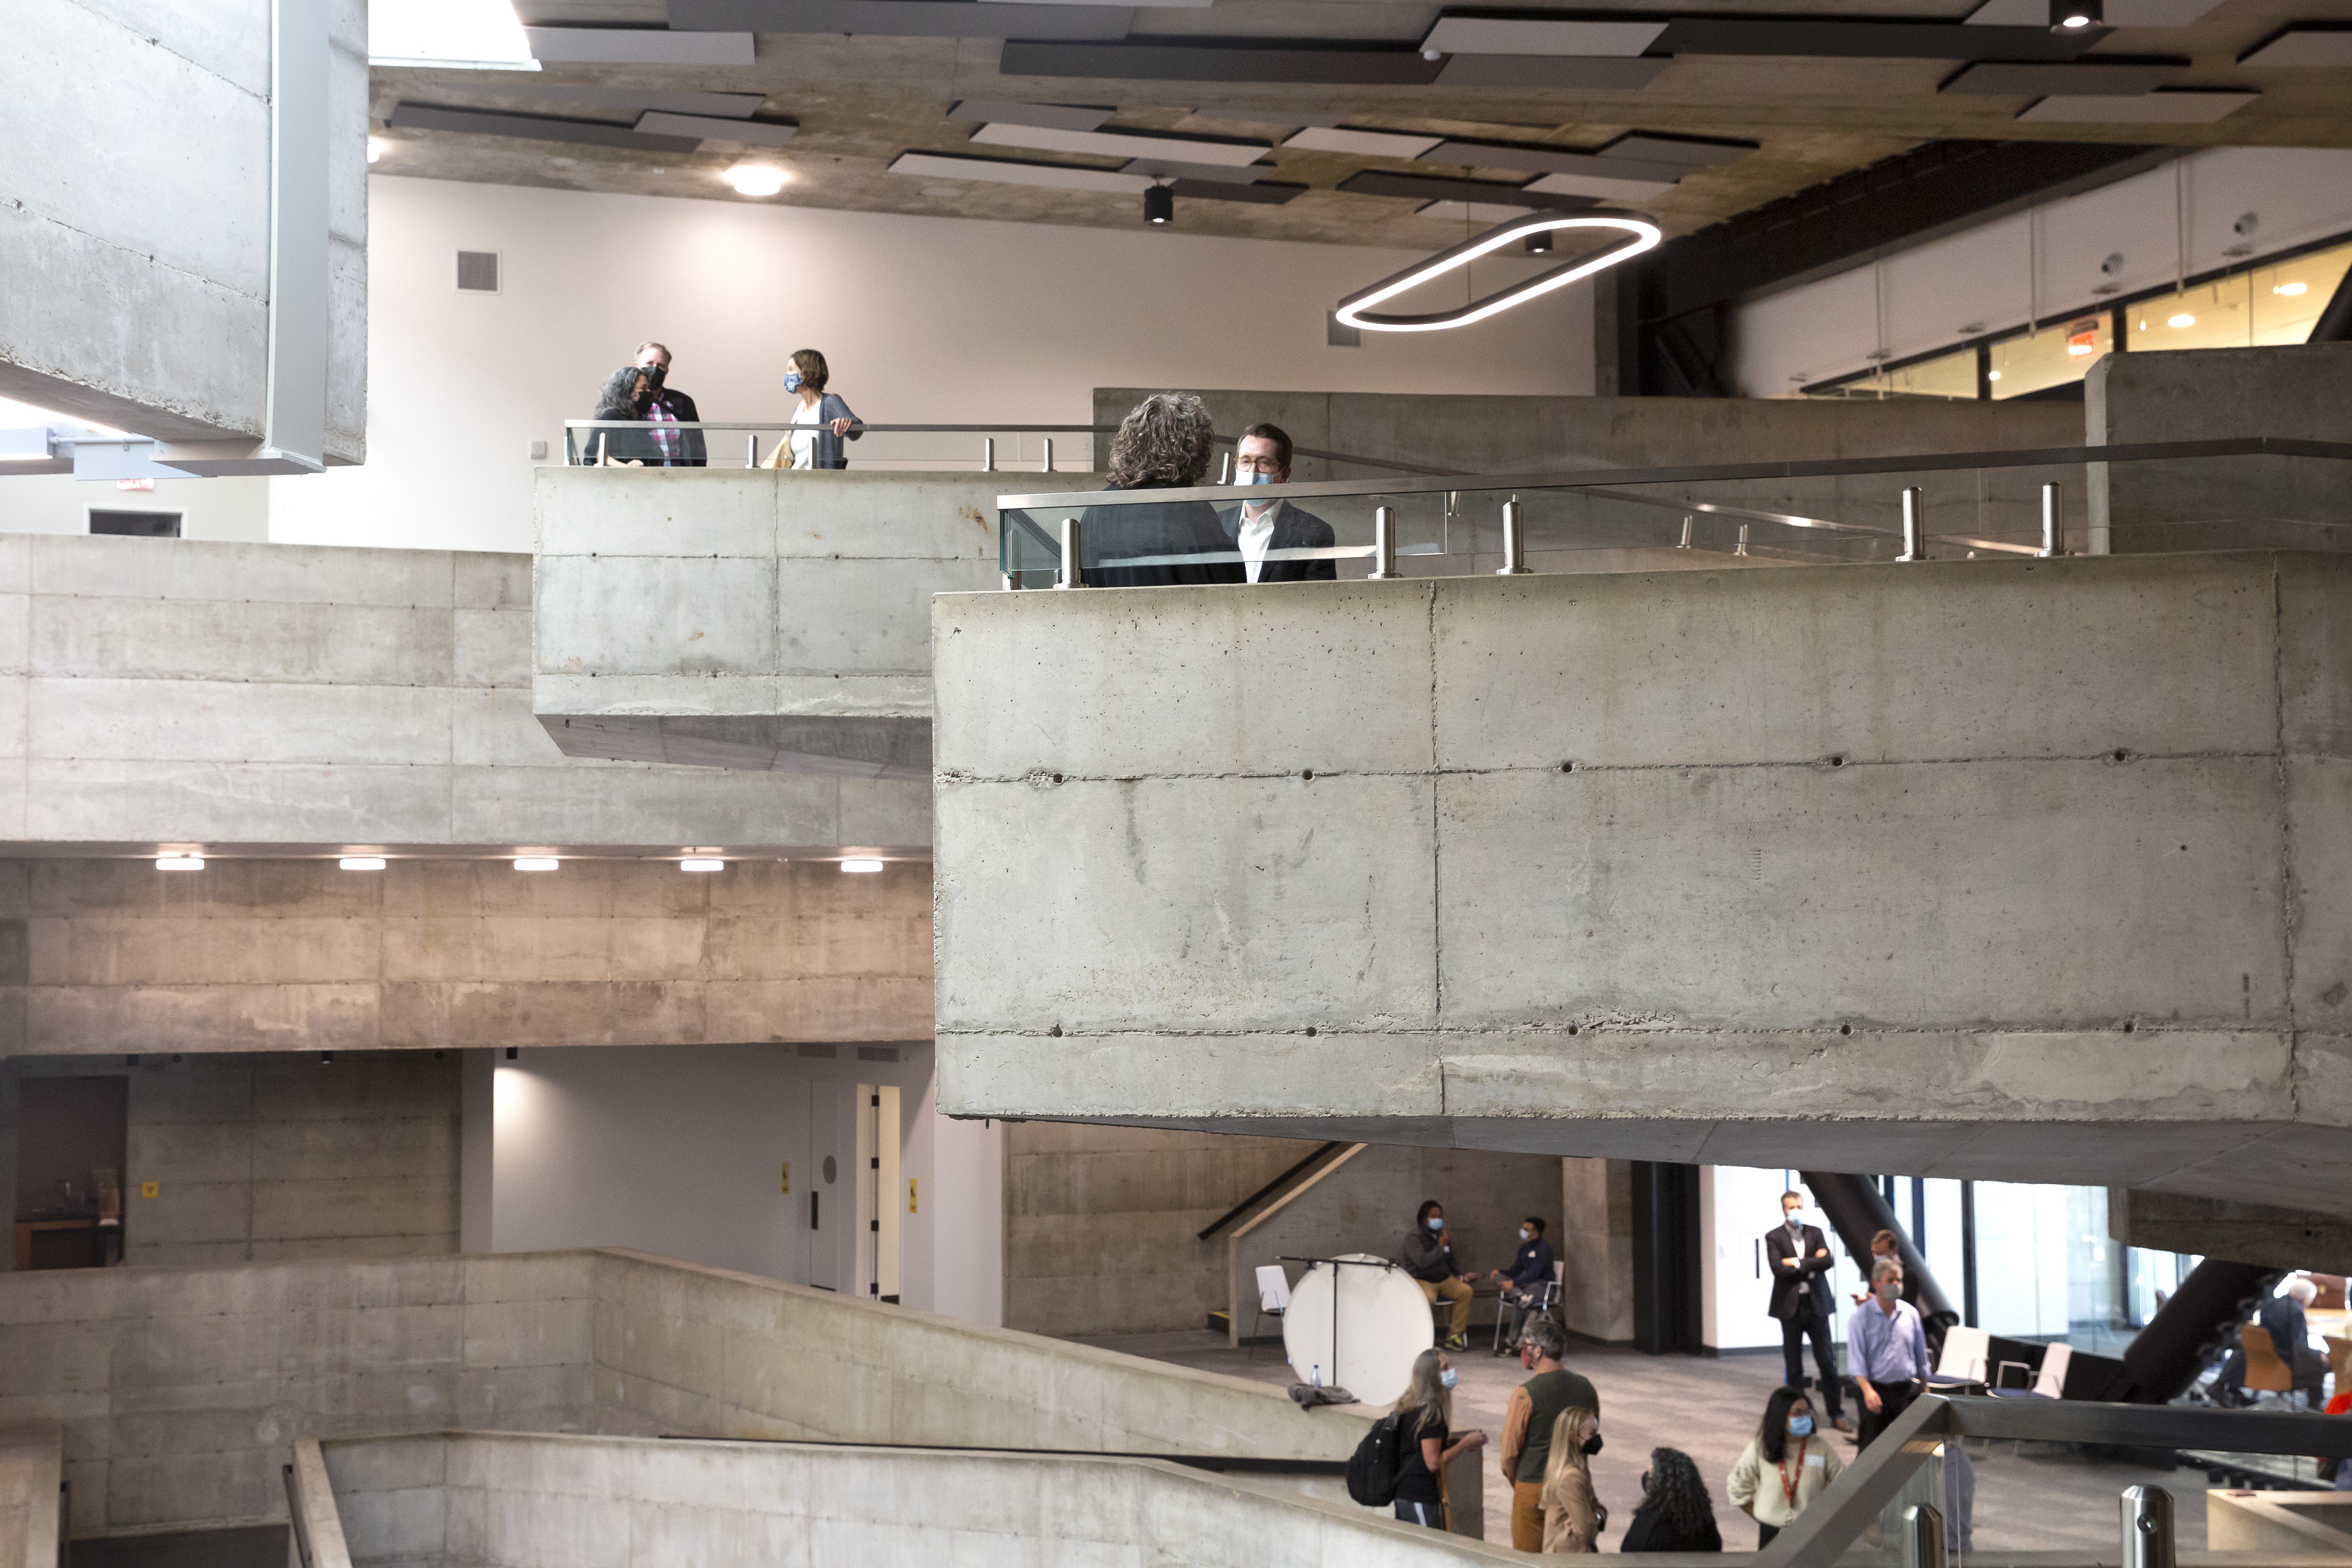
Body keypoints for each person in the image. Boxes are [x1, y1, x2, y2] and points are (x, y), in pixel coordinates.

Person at [1077, 393, 1243, 587]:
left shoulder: (1097, 509)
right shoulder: (1191, 509)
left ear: (1130, 442)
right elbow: (1230, 584)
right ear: (1193, 449)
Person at [1500, 1316, 1602, 1553]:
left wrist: (1523, 1488)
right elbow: (1590, 1438)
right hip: (1575, 1483)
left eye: (1527, 1346)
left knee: (1530, 1561)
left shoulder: (1525, 1395)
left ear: (1538, 1351)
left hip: (1533, 1488)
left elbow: (1508, 1459)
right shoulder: (1586, 1387)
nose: (1524, 1352)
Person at [1766, 1190, 1851, 1435]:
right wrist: (1812, 1263)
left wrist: (1794, 1263)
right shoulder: (1774, 1237)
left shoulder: (1816, 1233)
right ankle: (1800, 1415)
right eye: (1791, 1207)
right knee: (1794, 1367)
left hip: (1817, 1305)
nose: (1796, 1211)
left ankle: (1837, 1414)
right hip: (1790, 1307)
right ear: (1784, 1209)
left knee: (1827, 1362)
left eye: (1799, 1206)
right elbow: (1776, 1269)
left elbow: (1828, 1261)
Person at [1213, 423, 1335, 583]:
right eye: (1245, 461)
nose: (1252, 471)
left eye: (1264, 463)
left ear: (1284, 475)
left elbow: (1318, 604)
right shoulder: (1215, 525)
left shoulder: (1314, 534)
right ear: (1236, 467)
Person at [1726, 1386, 1842, 1549]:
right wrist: (1763, 1515)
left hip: (1812, 1535)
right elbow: (1737, 1486)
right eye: (1798, 1413)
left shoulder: (1821, 1448)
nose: (1805, 1418)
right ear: (1780, 1416)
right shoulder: (1761, 1447)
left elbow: (1844, 1484)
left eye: (1808, 1412)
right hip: (1771, 1535)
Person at [1389, 1347, 1486, 1530]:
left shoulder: (1413, 1405)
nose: (1451, 1371)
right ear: (1432, 1376)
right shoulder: (1430, 1414)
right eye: (1445, 1367)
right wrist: (1465, 1442)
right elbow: (1433, 1462)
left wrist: (1454, 1443)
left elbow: (1419, 1445)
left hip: (1407, 1493)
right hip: (1418, 1494)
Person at [1849, 1256, 1930, 1449]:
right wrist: (1868, 1391)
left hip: (1905, 1390)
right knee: (1871, 1448)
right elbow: (1856, 1360)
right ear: (1876, 1284)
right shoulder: (1861, 1318)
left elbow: (1920, 1354)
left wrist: (1926, 1388)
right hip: (1875, 1390)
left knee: (1907, 1448)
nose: (1896, 1285)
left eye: (1899, 1281)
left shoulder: (1910, 1314)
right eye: (1890, 1281)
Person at [589, 342, 706, 467]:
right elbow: (598, 453)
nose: (655, 369)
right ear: (636, 367)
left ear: (666, 370)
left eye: (660, 365)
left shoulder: (683, 403)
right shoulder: (624, 409)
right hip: (641, 480)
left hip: (679, 479)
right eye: (649, 364)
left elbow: (697, 449)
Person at [2219, 1275, 2327, 1406]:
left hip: (2263, 1361)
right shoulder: (2296, 1312)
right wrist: (2319, 1355)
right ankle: (2314, 1406)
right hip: (2283, 1365)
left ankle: (2233, 1391)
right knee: (2320, 1362)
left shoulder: (2271, 1304)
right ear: (2305, 1299)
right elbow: (2299, 1350)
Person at [759, 348, 860, 471]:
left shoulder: (830, 402)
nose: (787, 375)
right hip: (796, 482)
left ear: (806, 373)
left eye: (791, 370)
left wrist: (846, 423)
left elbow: (857, 430)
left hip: (821, 483)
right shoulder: (799, 409)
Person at [1403, 1199, 1478, 1350]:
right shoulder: (1413, 1239)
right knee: (1428, 1299)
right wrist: (1440, 1247)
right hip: (1422, 1280)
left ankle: (1454, 1337)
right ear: (1424, 1219)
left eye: (1440, 1216)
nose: (1438, 1220)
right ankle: (1421, 1338)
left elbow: (1451, 1259)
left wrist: (1462, 1276)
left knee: (1465, 1291)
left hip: (1444, 1279)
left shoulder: (1442, 1236)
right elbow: (1422, 1262)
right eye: (1434, 1216)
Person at [1620, 1448, 1723, 1552]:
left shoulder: (1648, 1522)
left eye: (1650, 1474)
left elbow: (1627, 1552)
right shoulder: (1703, 1520)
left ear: (1657, 1482)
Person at [1538, 1405, 1604, 1552]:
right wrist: (1597, 1518)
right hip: (1569, 1556)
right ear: (1573, 1437)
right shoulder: (1572, 1477)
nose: (1597, 1438)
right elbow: (1587, 1532)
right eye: (1592, 1434)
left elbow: (1597, 1508)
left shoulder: (1564, 1468)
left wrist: (1596, 1516)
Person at [1489, 1215, 1558, 1354]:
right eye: (1523, 1228)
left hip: (1542, 1287)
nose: (1523, 1231)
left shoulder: (1544, 1249)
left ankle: (1513, 1342)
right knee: (1501, 1280)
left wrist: (1512, 1283)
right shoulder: (1524, 1249)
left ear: (1536, 1232)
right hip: (1525, 1288)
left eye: (1527, 1229)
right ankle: (1521, 1295)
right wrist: (1500, 1272)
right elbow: (1514, 1271)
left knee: (1518, 1302)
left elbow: (1534, 1275)